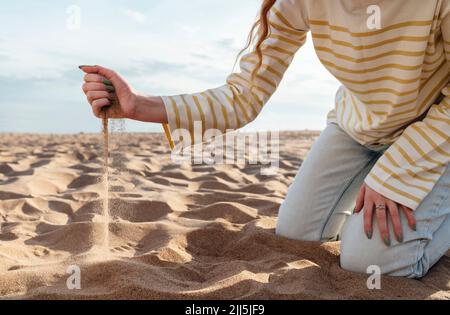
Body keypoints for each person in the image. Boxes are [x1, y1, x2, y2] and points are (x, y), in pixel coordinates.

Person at [80, 0, 450, 278]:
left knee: (369, 263)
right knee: (296, 235)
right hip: (357, 126)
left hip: (434, 133)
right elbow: (244, 95)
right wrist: (138, 106)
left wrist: (396, 174)